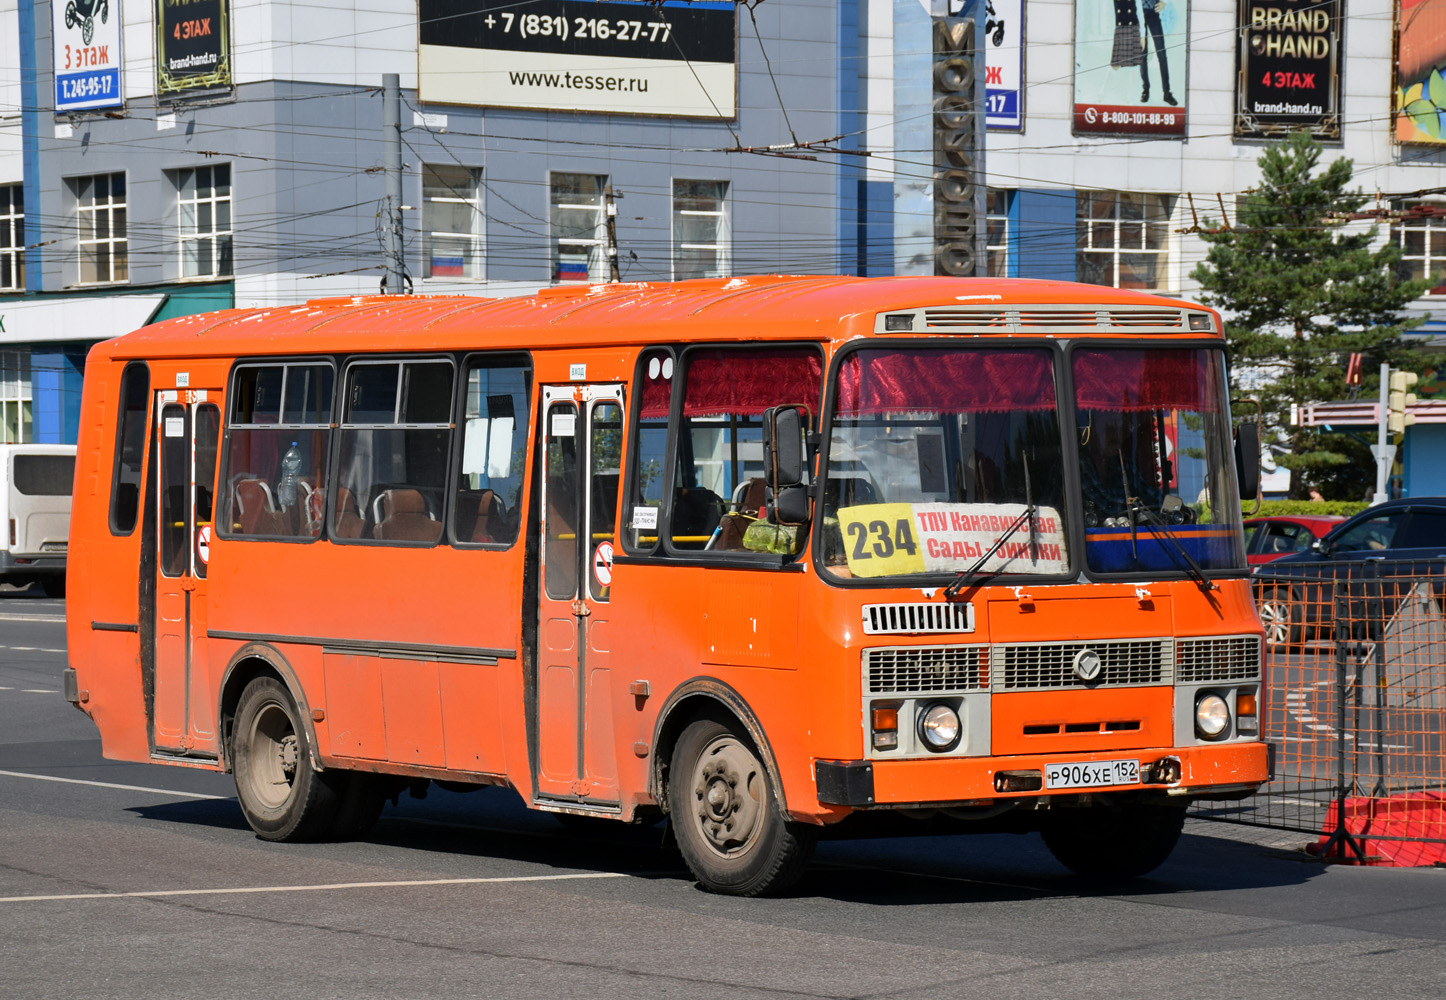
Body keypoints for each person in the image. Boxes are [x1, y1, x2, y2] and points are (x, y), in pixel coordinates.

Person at [1138, 0, 1177, 106]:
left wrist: (1164, 2)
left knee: (1162, 54)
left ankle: (1167, 93)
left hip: (1153, 12)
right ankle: (1145, 90)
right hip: (1138, 14)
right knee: (1142, 54)